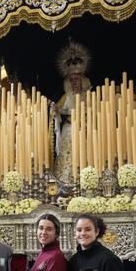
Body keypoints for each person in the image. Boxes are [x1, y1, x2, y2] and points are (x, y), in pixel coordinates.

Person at [53, 41, 91, 183]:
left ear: (83, 80)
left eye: (77, 79)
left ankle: (85, 178)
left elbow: (94, 111)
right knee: (67, 156)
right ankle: (65, 180)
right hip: (69, 130)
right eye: (72, 79)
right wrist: (55, 111)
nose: (75, 82)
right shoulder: (66, 96)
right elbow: (56, 111)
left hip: (84, 129)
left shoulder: (88, 95)